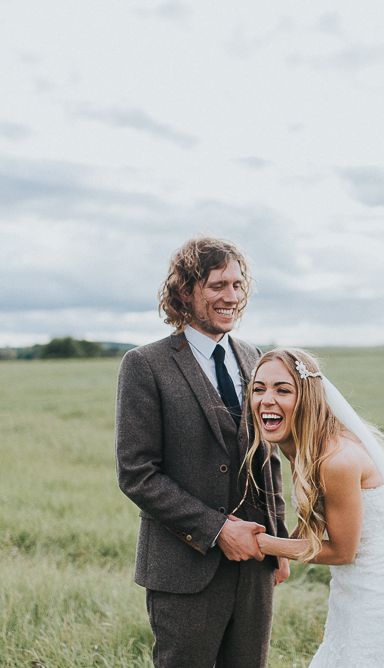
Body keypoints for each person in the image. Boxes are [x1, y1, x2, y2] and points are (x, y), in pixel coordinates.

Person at [115, 237, 289, 668]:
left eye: (237, 284)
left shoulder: (253, 356)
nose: (231, 296)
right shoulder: (144, 364)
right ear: (185, 292)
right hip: (184, 568)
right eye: (217, 286)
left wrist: (279, 540)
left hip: (255, 563)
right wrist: (216, 529)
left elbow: (267, 457)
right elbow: (137, 472)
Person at [245, 348, 384, 667]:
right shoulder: (300, 443)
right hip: (353, 582)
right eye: (259, 389)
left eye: (282, 389)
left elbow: (342, 551)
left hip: (383, 587)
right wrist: (283, 553)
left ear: (307, 396)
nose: (267, 399)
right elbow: (316, 516)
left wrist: (263, 544)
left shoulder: (336, 460)